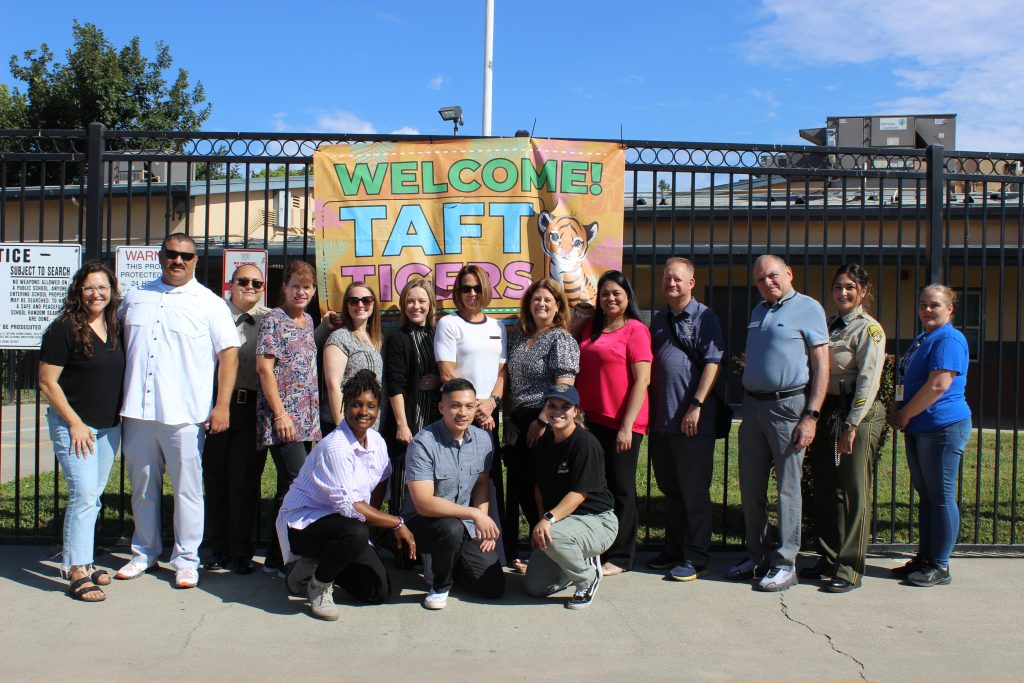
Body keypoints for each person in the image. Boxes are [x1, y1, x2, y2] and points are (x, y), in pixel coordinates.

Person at [115, 233, 239, 589]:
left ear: (195, 261)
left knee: (187, 489)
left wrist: (222, 405)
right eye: (171, 254)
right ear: (161, 256)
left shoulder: (209, 303)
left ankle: (186, 559)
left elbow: (228, 355)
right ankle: (144, 552)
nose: (178, 261)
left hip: (185, 414)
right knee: (142, 487)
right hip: (138, 410)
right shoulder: (137, 298)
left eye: (186, 256)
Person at [276, 370, 416, 620]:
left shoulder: (376, 441)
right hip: (303, 525)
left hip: (344, 527)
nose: (364, 412)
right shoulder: (336, 448)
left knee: (378, 591)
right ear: (345, 405)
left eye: (371, 406)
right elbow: (350, 507)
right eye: (356, 405)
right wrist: (396, 523)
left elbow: (382, 479)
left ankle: (315, 564)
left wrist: (373, 527)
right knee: (355, 531)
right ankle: (318, 586)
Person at [728, 254, 828, 592]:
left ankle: (786, 563)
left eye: (772, 275)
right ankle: (756, 554)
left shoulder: (809, 308)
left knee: (787, 487)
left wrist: (811, 415)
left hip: (789, 406)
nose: (767, 282)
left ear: (788, 273)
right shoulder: (759, 311)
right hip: (754, 407)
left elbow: (821, 364)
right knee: (750, 486)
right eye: (760, 279)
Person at [38, 262, 125, 601]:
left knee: (93, 496)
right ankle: (76, 570)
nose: (96, 294)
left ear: (111, 291)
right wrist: (74, 422)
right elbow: (47, 382)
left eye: (102, 287)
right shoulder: (63, 329)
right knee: (85, 495)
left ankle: (84, 560)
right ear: (78, 291)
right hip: (76, 426)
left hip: (108, 428)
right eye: (89, 287)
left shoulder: (115, 326)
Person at [803, 264, 887, 593]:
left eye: (850, 287)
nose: (843, 293)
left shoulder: (869, 330)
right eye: (839, 287)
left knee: (853, 490)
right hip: (830, 412)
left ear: (863, 292)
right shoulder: (828, 326)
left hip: (857, 414)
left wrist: (853, 424)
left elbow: (868, 380)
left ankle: (850, 567)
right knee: (826, 487)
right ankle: (829, 556)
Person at [647, 257, 725, 582]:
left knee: (694, 492)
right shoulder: (658, 320)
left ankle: (697, 556)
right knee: (671, 489)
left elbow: (712, 361)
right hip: (661, 422)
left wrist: (696, 404)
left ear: (691, 282)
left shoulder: (705, 317)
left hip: (691, 421)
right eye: (667, 279)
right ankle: (674, 548)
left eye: (678, 279)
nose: (671, 284)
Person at [889, 284, 972, 587]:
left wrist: (905, 413)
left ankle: (941, 565)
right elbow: (905, 376)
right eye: (923, 304)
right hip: (919, 427)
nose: (927, 310)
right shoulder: (924, 338)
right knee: (927, 496)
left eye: (935, 305)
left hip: (942, 428)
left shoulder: (949, 338)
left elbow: (939, 385)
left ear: (949, 309)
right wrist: (897, 405)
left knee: (940, 496)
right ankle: (925, 557)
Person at [401, 378, 505, 610]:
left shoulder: (483, 439)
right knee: (450, 528)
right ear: (441, 408)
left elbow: (481, 484)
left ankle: (448, 560)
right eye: (455, 406)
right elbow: (424, 503)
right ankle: (440, 584)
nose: (463, 413)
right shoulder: (423, 443)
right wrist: (474, 515)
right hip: (423, 523)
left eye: (469, 406)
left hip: (463, 524)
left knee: (493, 586)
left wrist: (482, 523)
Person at [575, 270, 651, 576]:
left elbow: (642, 380)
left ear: (627, 297)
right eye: (605, 294)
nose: (610, 299)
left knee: (621, 488)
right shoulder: (590, 329)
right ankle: (600, 545)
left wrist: (626, 426)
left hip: (622, 423)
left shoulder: (635, 330)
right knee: (596, 486)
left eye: (616, 293)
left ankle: (621, 556)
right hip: (591, 421)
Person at [503, 278, 579, 567]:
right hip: (519, 421)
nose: (541, 304)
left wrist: (543, 421)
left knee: (542, 487)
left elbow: (564, 385)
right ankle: (525, 548)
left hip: (546, 419)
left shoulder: (561, 339)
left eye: (548, 299)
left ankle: (549, 550)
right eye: (536, 299)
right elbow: (510, 383)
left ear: (558, 305)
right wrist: (509, 418)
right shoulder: (519, 338)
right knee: (520, 486)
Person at [434, 264, 508, 560]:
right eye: (466, 288)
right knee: (457, 481)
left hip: (489, 417)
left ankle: (493, 548)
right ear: (458, 292)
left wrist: (492, 403)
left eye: (477, 287)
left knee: (487, 481)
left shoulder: (497, 327)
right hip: (460, 419)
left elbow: (502, 373)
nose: (472, 294)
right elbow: (446, 371)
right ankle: (455, 548)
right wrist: (474, 408)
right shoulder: (449, 324)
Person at [201, 264, 269, 575]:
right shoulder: (213, 314)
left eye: (257, 282)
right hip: (216, 406)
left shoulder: (269, 320)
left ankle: (242, 550)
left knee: (245, 483)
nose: (250, 287)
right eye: (243, 281)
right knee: (215, 479)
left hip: (252, 407)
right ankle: (216, 548)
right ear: (230, 284)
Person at [255, 260, 323, 573]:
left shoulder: (308, 321)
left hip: (306, 418)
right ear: (285, 287)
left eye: (307, 287)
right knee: (295, 481)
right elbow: (264, 368)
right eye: (295, 285)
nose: (301, 292)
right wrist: (281, 414)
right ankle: (285, 554)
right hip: (283, 417)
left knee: (293, 484)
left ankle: (275, 555)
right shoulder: (273, 319)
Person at [524, 383, 617, 610]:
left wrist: (548, 521)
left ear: (576, 411)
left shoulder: (585, 443)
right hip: (562, 522)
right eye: (551, 406)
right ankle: (575, 563)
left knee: (554, 536)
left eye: (565, 407)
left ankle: (587, 578)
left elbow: (579, 494)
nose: (557, 412)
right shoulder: (545, 441)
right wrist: (540, 525)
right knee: (534, 586)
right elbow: (539, 488)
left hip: (597, 520)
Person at [383, 278, 441, 513]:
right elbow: (395, 384)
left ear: (430, 305)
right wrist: (402, 425)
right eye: (410, 301)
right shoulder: (399, 339)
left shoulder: (437, 335)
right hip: (408, 423)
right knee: (403, 480)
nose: (416, 306)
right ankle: (398, 538)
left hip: (433, 422)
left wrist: (438, 380)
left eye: (421, 301)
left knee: (429, 482)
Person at [323, 281, 383, 433]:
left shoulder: (377, 338)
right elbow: (333, 385)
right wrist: (342, 427)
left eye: (366, 300)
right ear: (347, 305)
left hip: (369, 426)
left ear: (374, 304)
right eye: (354, 301)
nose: (360, 305)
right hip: (346, 426)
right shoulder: (339, 337)